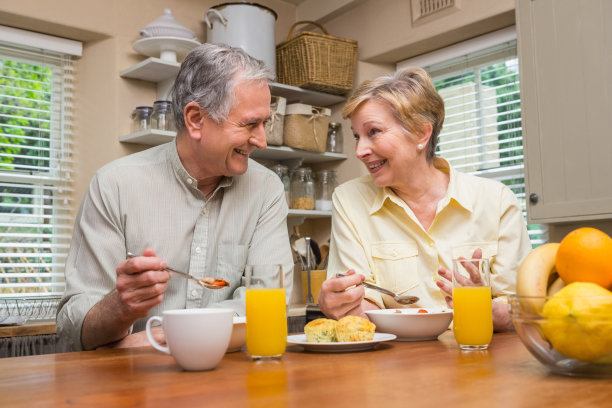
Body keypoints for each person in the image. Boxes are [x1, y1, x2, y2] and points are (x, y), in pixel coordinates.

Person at [57, 43, 294, 351]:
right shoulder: (113, 185)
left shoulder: (266, 190)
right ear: (196, 119)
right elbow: (73, 330)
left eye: (266, 123)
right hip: (130, 390)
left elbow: (267, 302)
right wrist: (120, 307)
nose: (262, 141)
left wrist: (164, 334)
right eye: (250, 124)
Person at [318, 67, 531, 331]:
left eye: (373, 132)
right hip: (395, 366)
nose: (360, 150)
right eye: (356, 136)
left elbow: (523, 307)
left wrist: (482, 306)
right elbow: (360, 303)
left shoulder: (497, 200)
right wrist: (341, 303)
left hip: (480, 358)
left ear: (421, 133)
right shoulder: (349, 199)